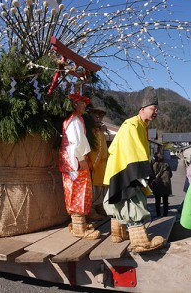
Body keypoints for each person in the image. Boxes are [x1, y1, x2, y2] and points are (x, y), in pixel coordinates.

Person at [103, 86, 165, 253]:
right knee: (133, 200)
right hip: (127, 169)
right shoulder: (132, 125)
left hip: (119, 167)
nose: (156, 112)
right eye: (153, 108)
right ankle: (140, 243)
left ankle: (118, 234)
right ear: (142, 109)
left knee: (118, 201)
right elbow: (133, 152)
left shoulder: (140, 126)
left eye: (157, 109)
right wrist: (145, 173)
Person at [59, 91, 100, 240]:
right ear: (75, 104)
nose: (84, 106)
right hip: (75, 161)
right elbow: (75, 142)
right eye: (82, 103)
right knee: (78, 191)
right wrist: (81, 159)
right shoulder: (75, 120)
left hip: (71, 160)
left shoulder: (74, 119)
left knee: (75, 190)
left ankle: (78, 224)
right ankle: (79, 227)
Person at [86, 108, 109, 220]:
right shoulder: (90, 131)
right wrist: (100, 132)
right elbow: (95, 149)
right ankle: (91, 209)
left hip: (101, 164)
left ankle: (100, 206)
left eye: (100, 117)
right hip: (92, 163)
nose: (99, 119)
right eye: (96, 116)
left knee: (101, 186)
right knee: (93, 187)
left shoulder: (100, 131)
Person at [151, 152, 173, 217]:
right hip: (166, 186)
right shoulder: (166, 165)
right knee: (165, 202)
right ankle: (165, 214)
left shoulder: (153, 165)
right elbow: (170, 175)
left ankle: (158, 214)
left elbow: (151, 175)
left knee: (157, 202)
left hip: (157, 186)